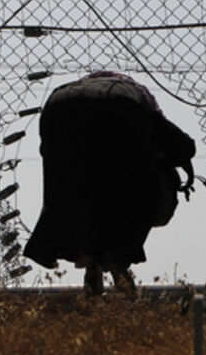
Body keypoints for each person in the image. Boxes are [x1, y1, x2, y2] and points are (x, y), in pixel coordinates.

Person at [23, 70, 196, 297]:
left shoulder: (74, 93)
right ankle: (115, 257)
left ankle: (88, 258)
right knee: (135, 185)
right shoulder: (134, 98)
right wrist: (168, 162)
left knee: (73, 183)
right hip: (120, 109)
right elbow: (184, 147)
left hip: (59, 106)